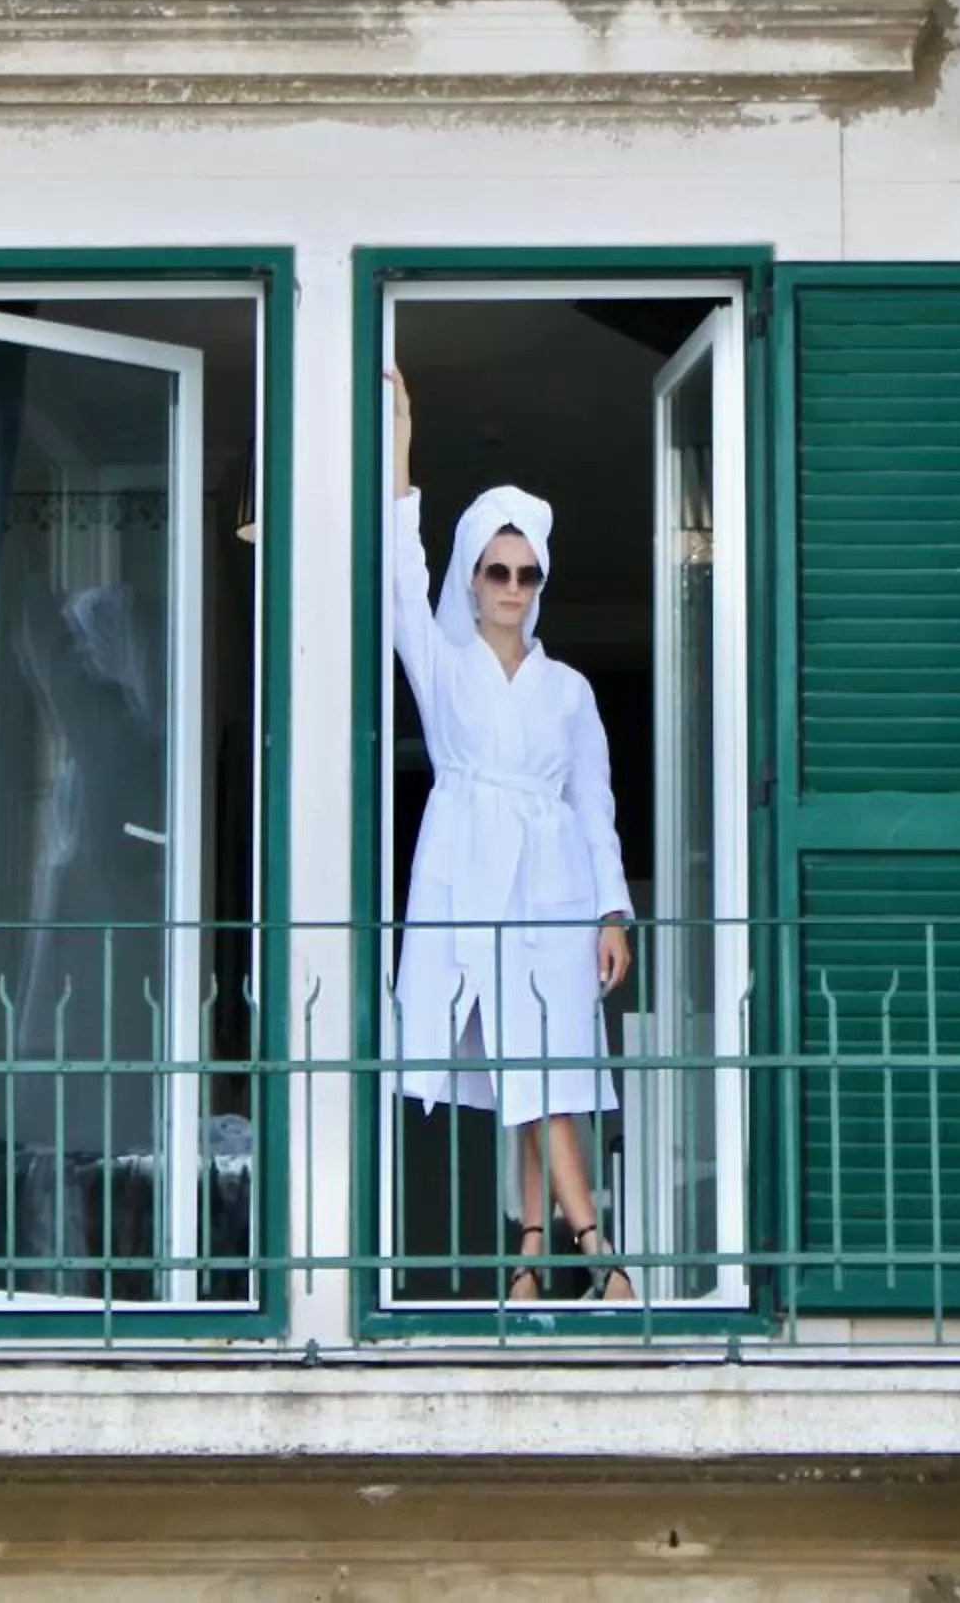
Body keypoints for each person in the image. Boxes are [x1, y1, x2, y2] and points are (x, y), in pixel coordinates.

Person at [384, 367, 637, 1304]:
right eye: (496, 570)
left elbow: (597, 804)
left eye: (528, 573)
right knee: (519, 1074)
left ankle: (581, 1254)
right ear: (472, 576)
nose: (513, 587)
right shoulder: (442, 666)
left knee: (554, 1071)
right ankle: (550, 1257)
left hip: (556, 885)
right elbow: (399, 571)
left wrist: (613, 912)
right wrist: (400, 440)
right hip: (469, 879)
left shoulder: (568, 690)